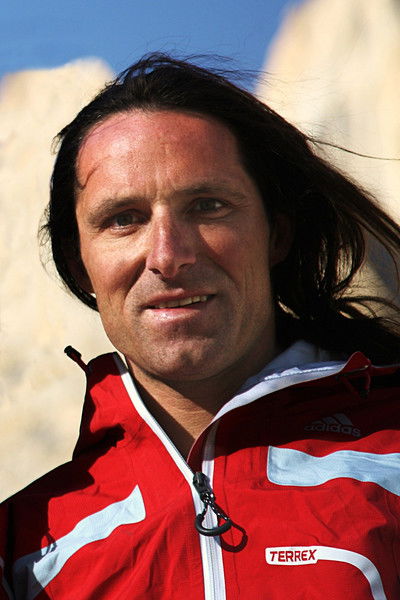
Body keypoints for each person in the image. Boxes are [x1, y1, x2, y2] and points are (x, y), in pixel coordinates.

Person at [1, 53, 400, 599]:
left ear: (276, 234)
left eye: (208, 206)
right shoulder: (24, 550)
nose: (168, 255)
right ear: (79, 263)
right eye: (124, 219)